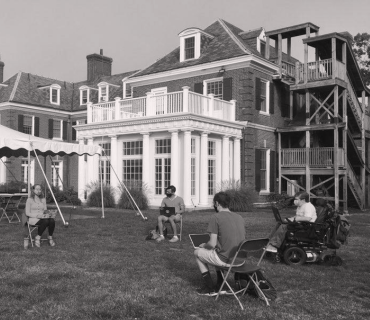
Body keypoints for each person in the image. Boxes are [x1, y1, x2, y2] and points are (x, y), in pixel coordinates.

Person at [194, 192, 246, 296]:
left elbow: (212, 244)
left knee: (197, 253)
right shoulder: (239, 217)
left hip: (226, 260)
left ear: (217, 203)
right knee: (215, 252)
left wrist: (203, 245)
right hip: (240, 259)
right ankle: (220, 283)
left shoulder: (216, 217)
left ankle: (209, 288)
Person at [24, 184, 56, 248]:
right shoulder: (29, 200)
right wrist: (37, 215)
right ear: (33, 190)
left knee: (52, 220)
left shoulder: (43, 199)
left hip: (43, 218)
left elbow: (45, 210)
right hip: (33, 219)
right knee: (46, 221)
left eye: (40, 189)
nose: (39, 191)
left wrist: (49, 213)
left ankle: (50, 237)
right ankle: (38, 237)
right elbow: (27, 213)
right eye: (37, 189)